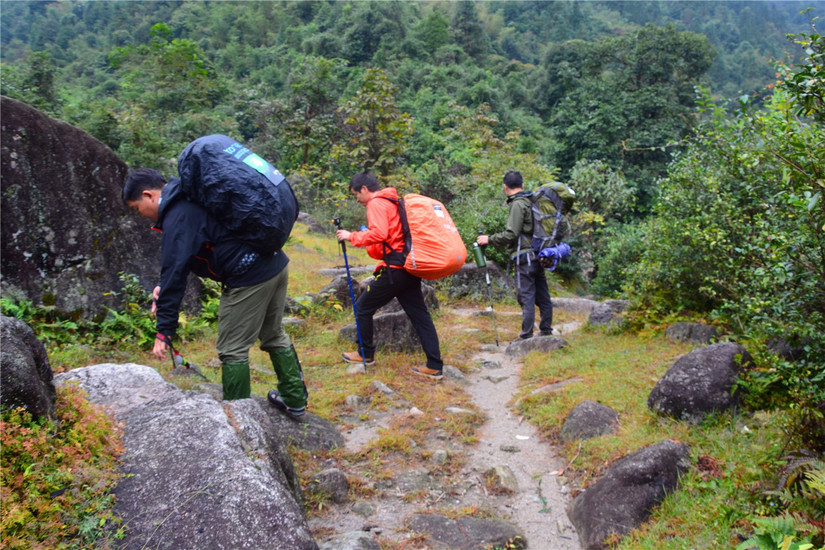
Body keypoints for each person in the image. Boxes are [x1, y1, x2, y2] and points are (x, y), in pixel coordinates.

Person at [122, 168, 307, 417]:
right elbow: (185, 259)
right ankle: (294, 399)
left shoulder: (178, 215)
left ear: (149, 195)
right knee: (273, 334)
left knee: (232, 348)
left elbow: (175, 271)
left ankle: (240, 419)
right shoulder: (191, 195)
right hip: (273, 262)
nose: (141, 215)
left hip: (249, 276)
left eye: (137, 208)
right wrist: (162, 287)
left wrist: (164, 331)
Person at [335, 172, 444, 380]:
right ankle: (435, 365)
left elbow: (380, 234)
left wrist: (352, 236)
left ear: (365, 189)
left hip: (395, 270)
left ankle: (365, 353)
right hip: (408, 266)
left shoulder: (376, 203)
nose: (357, 199)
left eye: (356, 194)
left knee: (362, 306)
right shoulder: (392, 200)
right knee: (420, 315)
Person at [477, 170, 553, 341]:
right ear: (522, 185)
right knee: (542, 295)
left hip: (524, 258)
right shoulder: (531, 201)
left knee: (526, 296)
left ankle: (526, 336)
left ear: (505, 187)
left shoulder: (518, 204)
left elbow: (511, 234)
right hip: (537, 255)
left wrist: (489, 239)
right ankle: (546, 330)